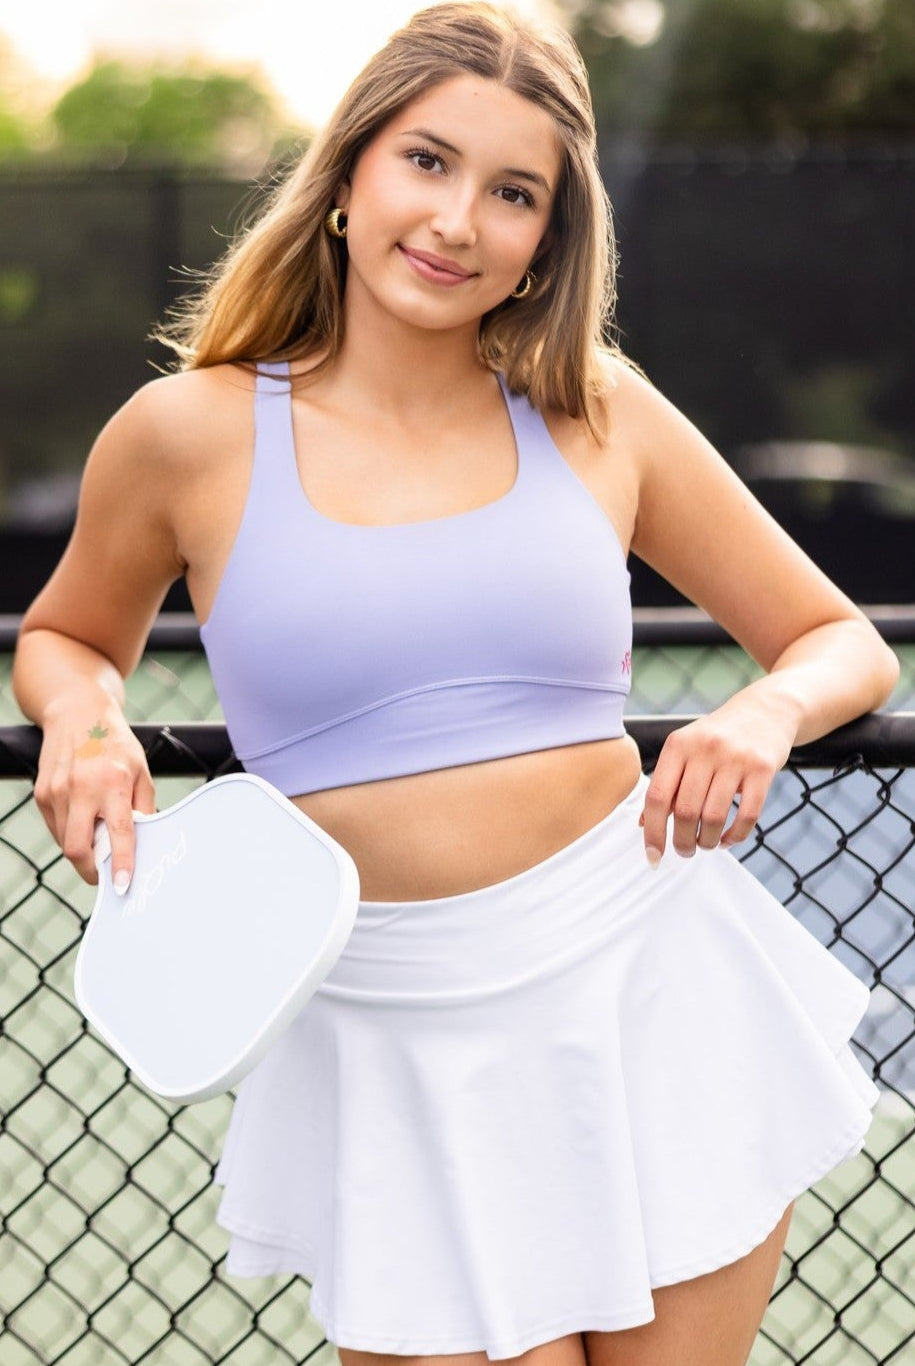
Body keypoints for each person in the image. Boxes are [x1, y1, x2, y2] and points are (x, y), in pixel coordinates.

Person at [12, 3, 899, 1364]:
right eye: (427, 162)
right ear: (350, 176)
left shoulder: (602, 412)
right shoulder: (186, 434)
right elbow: (68, 634)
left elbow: (840, 637)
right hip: (387, 1028)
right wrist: (83, 719)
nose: (458, 218)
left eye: (514, 191)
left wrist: (760, 709)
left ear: (551, 233)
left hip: (647, 982)